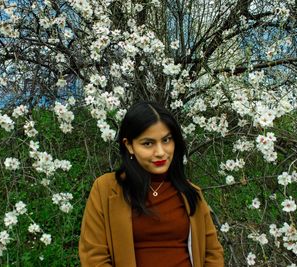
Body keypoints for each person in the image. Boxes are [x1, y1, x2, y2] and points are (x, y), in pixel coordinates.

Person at [79, 101, 224, 267]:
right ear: (129, 145)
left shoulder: (191, 193)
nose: (160, 152)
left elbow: (212, 253)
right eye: (148, 143)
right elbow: (93, 257)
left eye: (166, 140)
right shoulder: (106, 189)